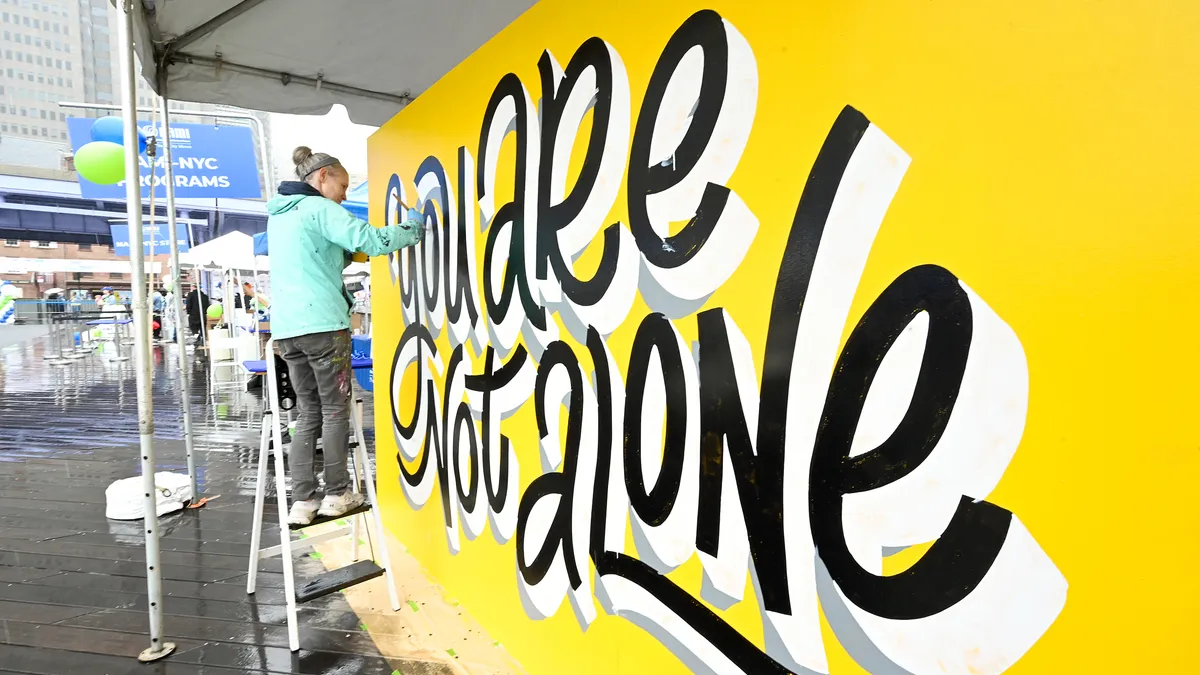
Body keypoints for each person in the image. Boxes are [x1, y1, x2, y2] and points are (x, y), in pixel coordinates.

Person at [269, 146, 423, 525]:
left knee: (308, 414)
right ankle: (338, 494)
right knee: (335, 410)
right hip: (323, 326)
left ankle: (302, 502)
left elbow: (324, 256)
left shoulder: (281, 216)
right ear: (323, 177)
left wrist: (349, 255)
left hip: (288, 330)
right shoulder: (321, 209)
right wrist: (412, 229)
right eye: (341, 184)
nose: (343, 194)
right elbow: (371, 241)